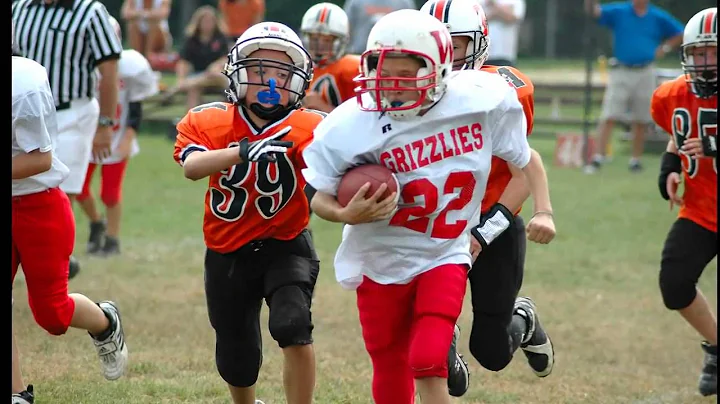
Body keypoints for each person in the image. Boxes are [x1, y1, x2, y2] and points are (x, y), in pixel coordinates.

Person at [302, 9, 556, 404]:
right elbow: (319, 196)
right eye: (384, 70)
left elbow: (525, 160)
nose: (393, 84)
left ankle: (508, 324)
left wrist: (542, 212)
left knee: (442, 354)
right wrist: (343, 213)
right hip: (381, 258)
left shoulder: (482, 99)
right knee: (389, 360)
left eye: (407, 72)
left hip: (447, 248)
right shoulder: (350, 124)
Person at [172, 21, 323, 404]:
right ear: (238, 74)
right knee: (236, 353)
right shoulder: (210, 120)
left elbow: (325, 183)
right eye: (260, 71)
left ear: (299, 79)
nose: (271, 81)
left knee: (293, 324)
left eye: (281, 73)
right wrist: (242, 151)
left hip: (286, 242)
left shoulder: (311, 127)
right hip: (227, 247)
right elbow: (192, 167)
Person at [421, 0, 555, 397]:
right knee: (422, 323)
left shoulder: (502, 91)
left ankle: (523, 318)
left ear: (479, 44)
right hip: (435, 225)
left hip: (494, 218)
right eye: (434, 43)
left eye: (455, 44)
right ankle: (443, 351)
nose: (444, 55)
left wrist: (482, 233)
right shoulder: (407, 91)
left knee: (492, 351)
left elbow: (525, 169)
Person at [12, 52, 128, 404]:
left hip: (38, 202)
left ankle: (105, 321)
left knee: (52, 315)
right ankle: (16, 393)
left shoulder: (23, 84)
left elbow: (39, 158)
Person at [12, 0, 124, 279]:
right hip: (25, 111)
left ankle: (55, 258)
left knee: (58, 186)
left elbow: (109, 69)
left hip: (72, 111)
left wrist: (106, 124)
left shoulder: (90, 11)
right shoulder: (20, 8)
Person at [650, 7, 717, 397]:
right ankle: (716, 347)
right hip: (704, 209)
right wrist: (671, 164)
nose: (705, 63)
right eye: (699, 54)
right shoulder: (674, 94)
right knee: (674, 283)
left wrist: (711, 146)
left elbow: (705, 137)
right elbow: (682, 129)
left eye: (713, 53)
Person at [77, 17, 160, 257]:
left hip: (116, 135)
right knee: (78, 189)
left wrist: (129, 137)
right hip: (86, 136)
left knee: (110, 193)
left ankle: (112, 239)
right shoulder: (80, 65)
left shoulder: (130, 65)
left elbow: (135, 105)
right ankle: (96, 222)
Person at [584, 0, 684, 173]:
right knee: (609, 114)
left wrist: (665, 47)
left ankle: (635, 160)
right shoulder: (620, 11)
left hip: (645, 70)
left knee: (641, 117)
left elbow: (680, 31)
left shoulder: (656, 16)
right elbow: (595, 12)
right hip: (621, 70)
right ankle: (598, 157)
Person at [161, 6, 230, 111]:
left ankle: (176, 89)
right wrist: (181, 78)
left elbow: (227, 58)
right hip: (199, 76)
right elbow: (183, 61)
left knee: (215, 75)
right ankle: (192, 122)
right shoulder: (191, 39)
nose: (208, 24)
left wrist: (216, 65)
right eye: (205, 21)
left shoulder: (221, 38)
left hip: (218, 76)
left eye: (210, 21)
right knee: (194, 90)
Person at [300, 2, 361, 113]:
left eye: (327, 40)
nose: (319, 46)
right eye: (314, 39)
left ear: (341, 41)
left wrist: (322, 107)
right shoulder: (302, 67)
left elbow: (360, 118)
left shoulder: (352, 67)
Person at [343, 0, 417, 55]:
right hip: (359, 53)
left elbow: (412, 27)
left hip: (397, 54)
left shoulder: (404, 2)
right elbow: (347, 27)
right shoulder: (355, 2)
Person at [476, 0, 526, 67]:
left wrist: (493, 4)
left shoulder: (515, 1)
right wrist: (502, 10)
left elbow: (511, 18)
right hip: (479, 56)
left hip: (505, 56)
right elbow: (475, 22)